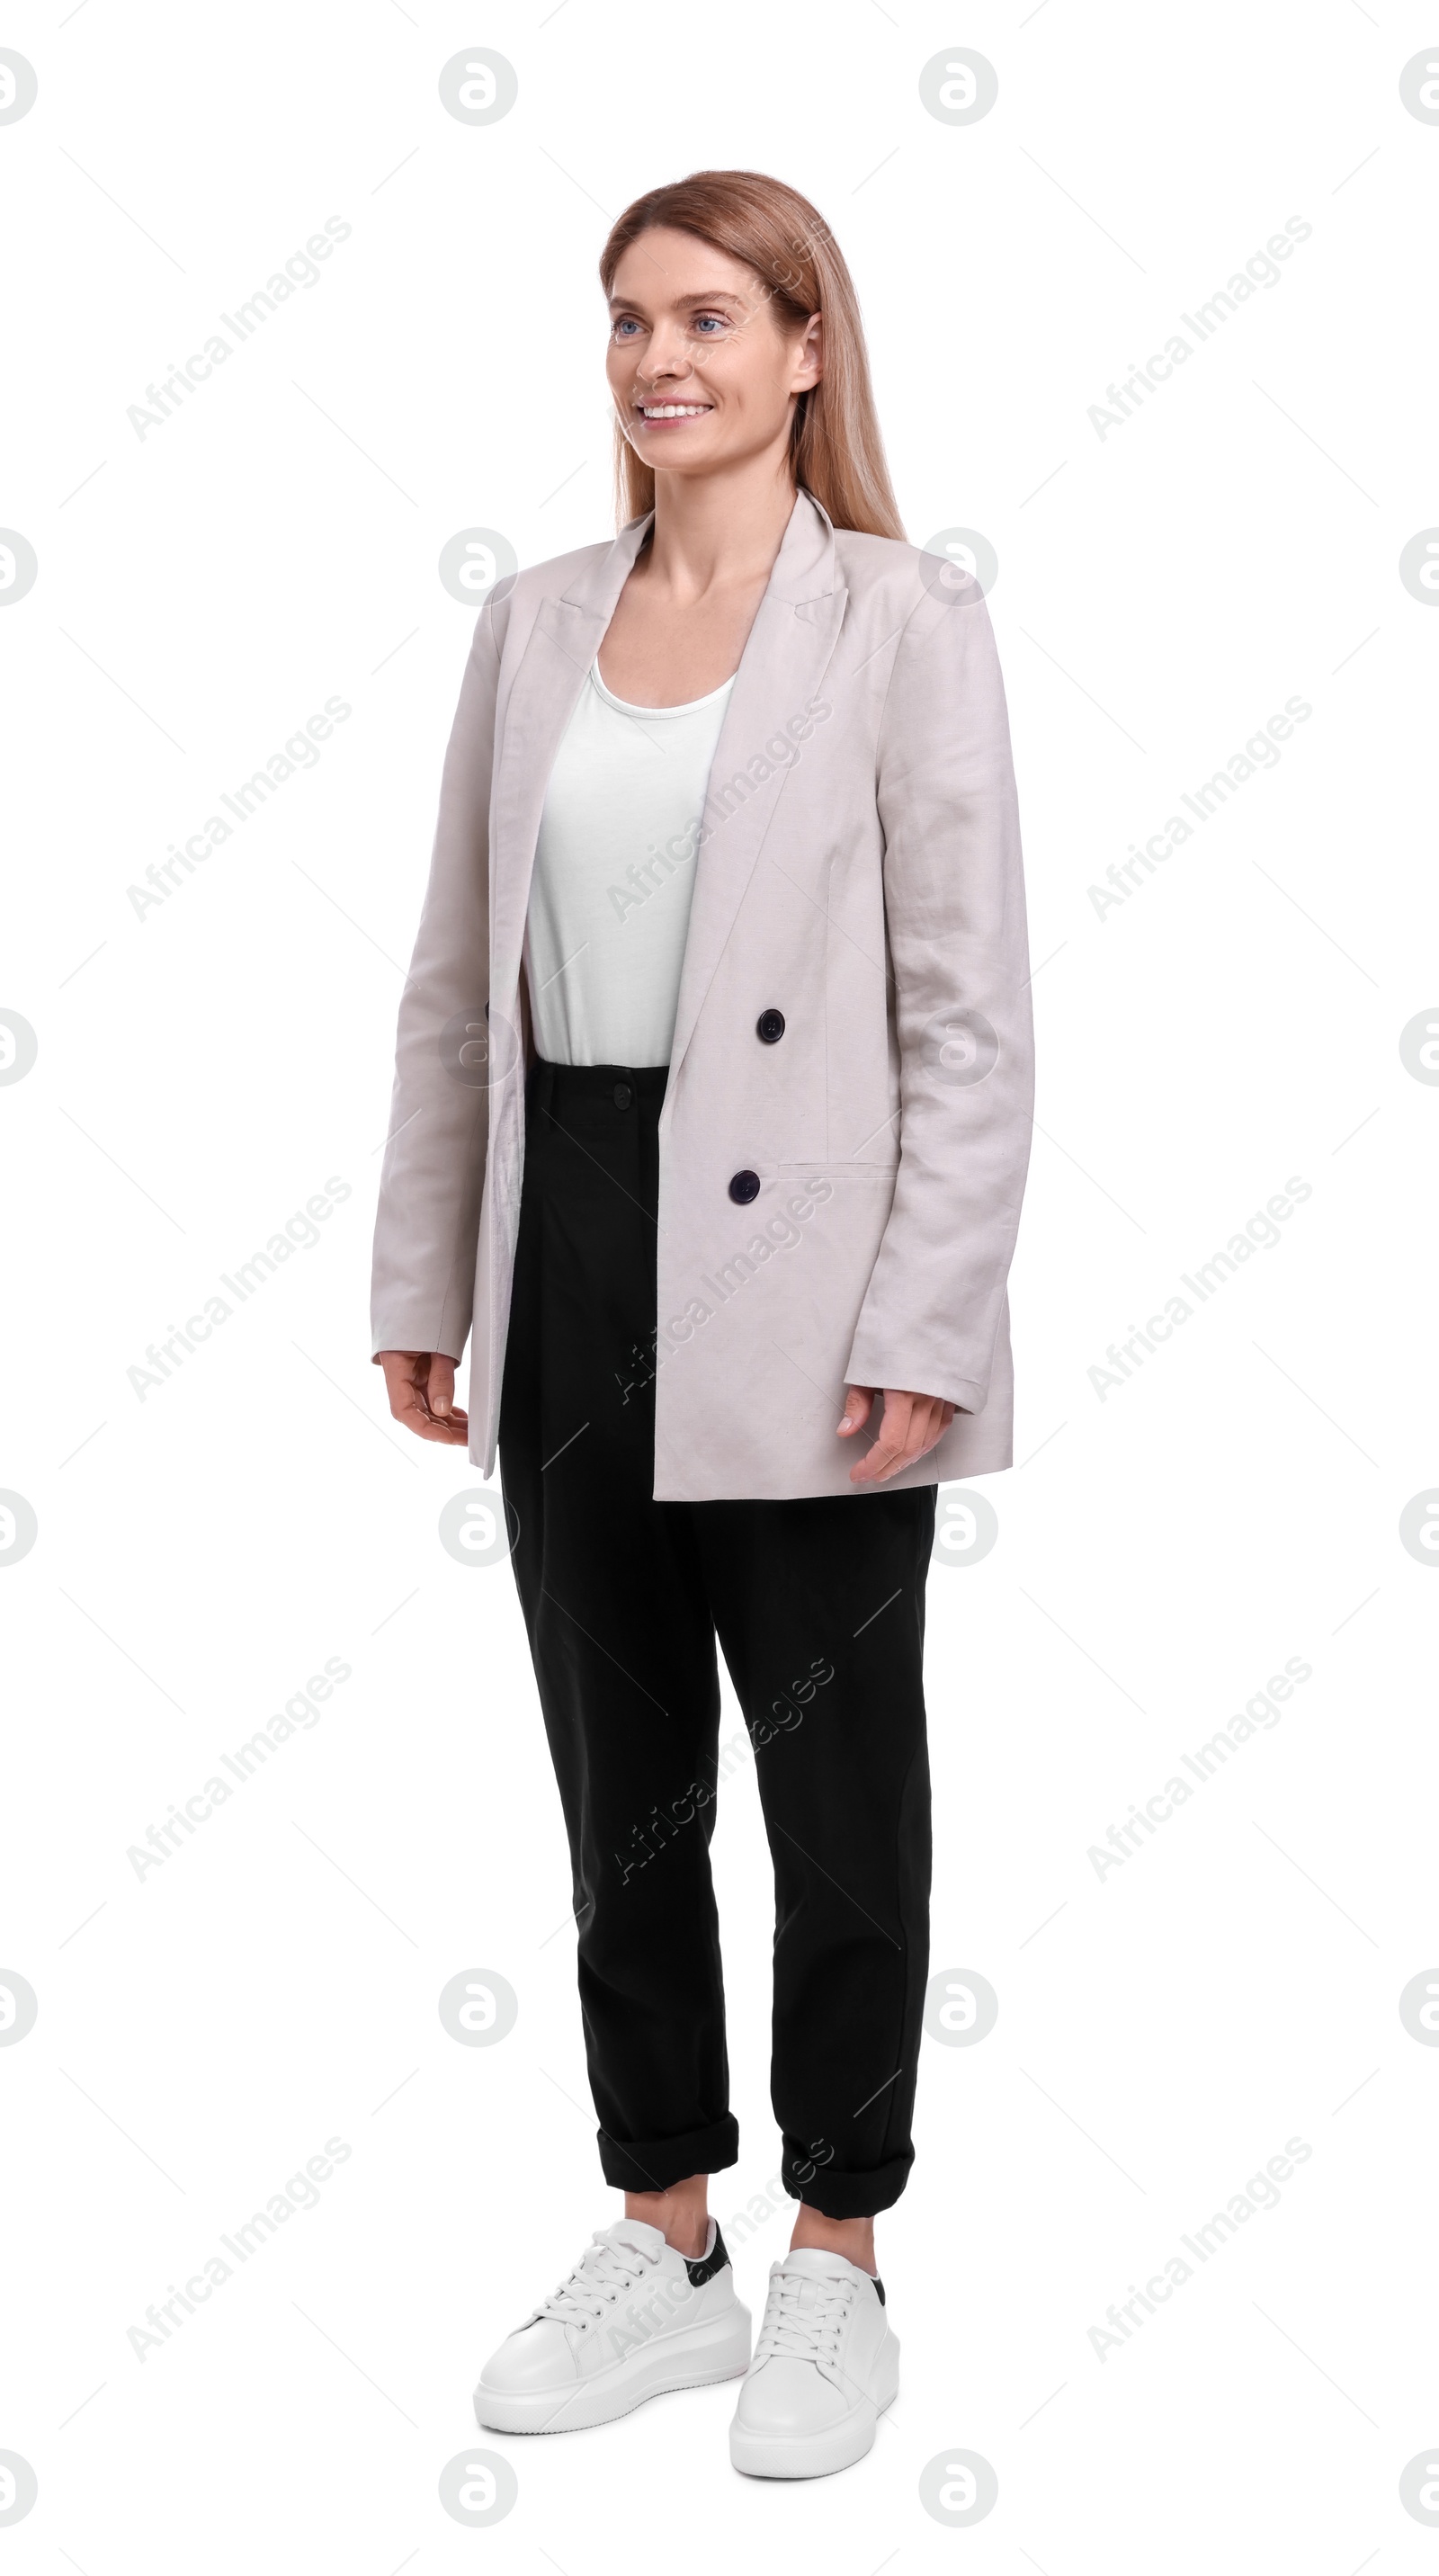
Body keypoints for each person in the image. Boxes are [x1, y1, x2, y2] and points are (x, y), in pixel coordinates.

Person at [371, 168, 1032, 2481]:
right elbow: (455, 984)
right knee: (618, 1783)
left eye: (712, 319)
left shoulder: (901, 619)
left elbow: (965, 1011)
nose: (663, 359)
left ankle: (835, 2252)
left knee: (839, 1794)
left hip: (812, 1271)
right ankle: (662, 2234)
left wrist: (931, 1304)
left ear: (806, 348)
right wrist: (425, 1273)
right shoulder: (536, 618)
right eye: (632, 320)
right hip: (569, 1233)